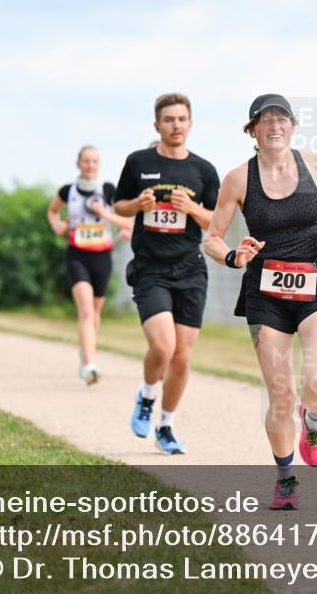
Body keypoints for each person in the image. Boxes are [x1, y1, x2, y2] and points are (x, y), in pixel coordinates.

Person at [204, 94, 317, 510]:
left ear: (292, 126)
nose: (274, 126)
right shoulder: (239, 178)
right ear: (252, 130)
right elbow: (211, 237)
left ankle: (313, 423)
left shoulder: (316, 164)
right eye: (265, 120)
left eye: (282, 119)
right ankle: (285, 479)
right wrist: (232, 256)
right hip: (265, 295)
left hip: (316, 288)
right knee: (279, 394)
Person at [113, 93, 220, 455]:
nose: (176, 125)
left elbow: (215, 221)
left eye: (181, 119)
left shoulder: (203, 170)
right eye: (169, 119)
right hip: (150, 268)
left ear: (191, 124)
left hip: (190, 269)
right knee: (163, 346)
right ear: (157, 125)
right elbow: (120, 206)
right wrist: (137, 205)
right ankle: (146, 395)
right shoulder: (138, 162)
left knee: (182, 357)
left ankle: (166, 425)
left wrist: (191, 207)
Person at [48, 145, 133, 385]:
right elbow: (53, 212)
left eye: (95, 161)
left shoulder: (107, 190)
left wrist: (105, 215)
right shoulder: (68, 191)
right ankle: (89, 365)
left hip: (102, 256)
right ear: (78, 164)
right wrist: (57, 224)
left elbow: (126, 221)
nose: (90, 165)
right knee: (85, 310)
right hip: (77, 255)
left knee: (95, 312)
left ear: (99, 164)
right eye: (86, 161)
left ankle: (86, 351)